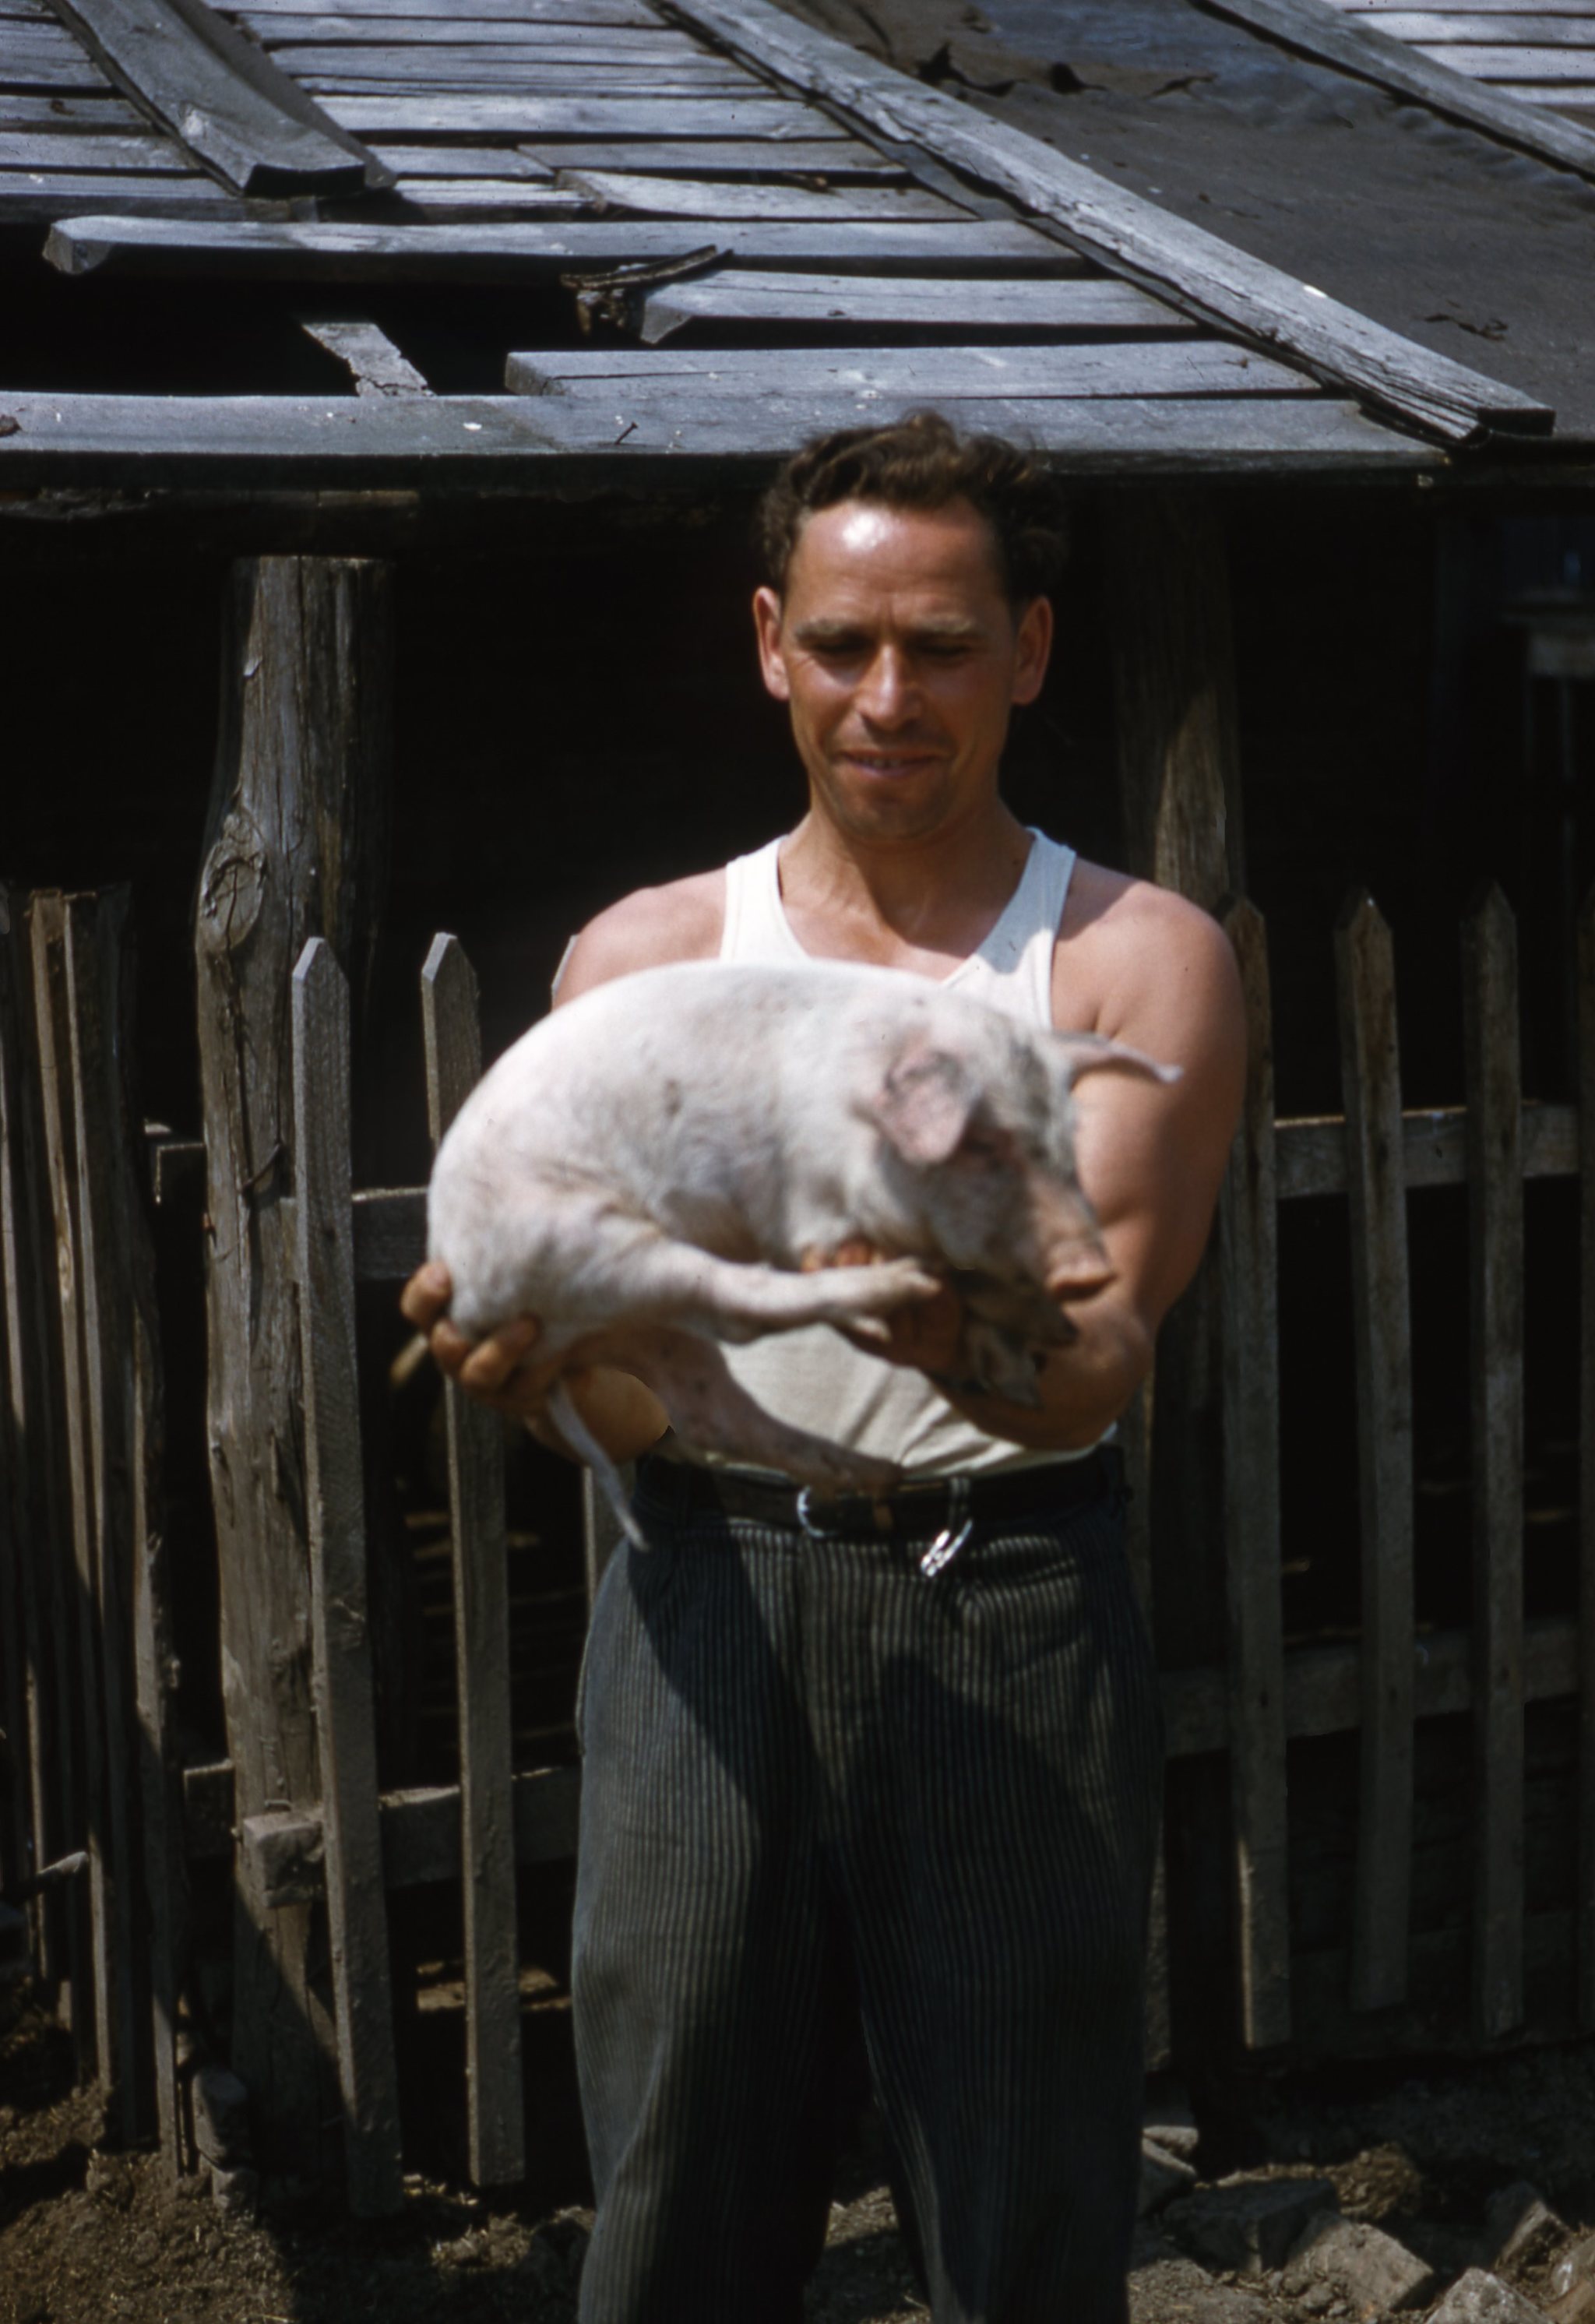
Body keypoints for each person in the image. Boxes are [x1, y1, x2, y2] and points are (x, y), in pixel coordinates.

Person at [402, 411, 1245, 2323]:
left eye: (942, 646)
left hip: (1008, 1594)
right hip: (707, 1598)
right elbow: (621, 1412)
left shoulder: (1125, 965)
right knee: (681, 2195)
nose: (889, 695)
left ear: (1028, 651)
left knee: (1028, 2207)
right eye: (845, 643)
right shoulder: (638, 971)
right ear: (769, 639)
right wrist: (542, 1355)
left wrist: (960, 1331)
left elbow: (1099, 1349)